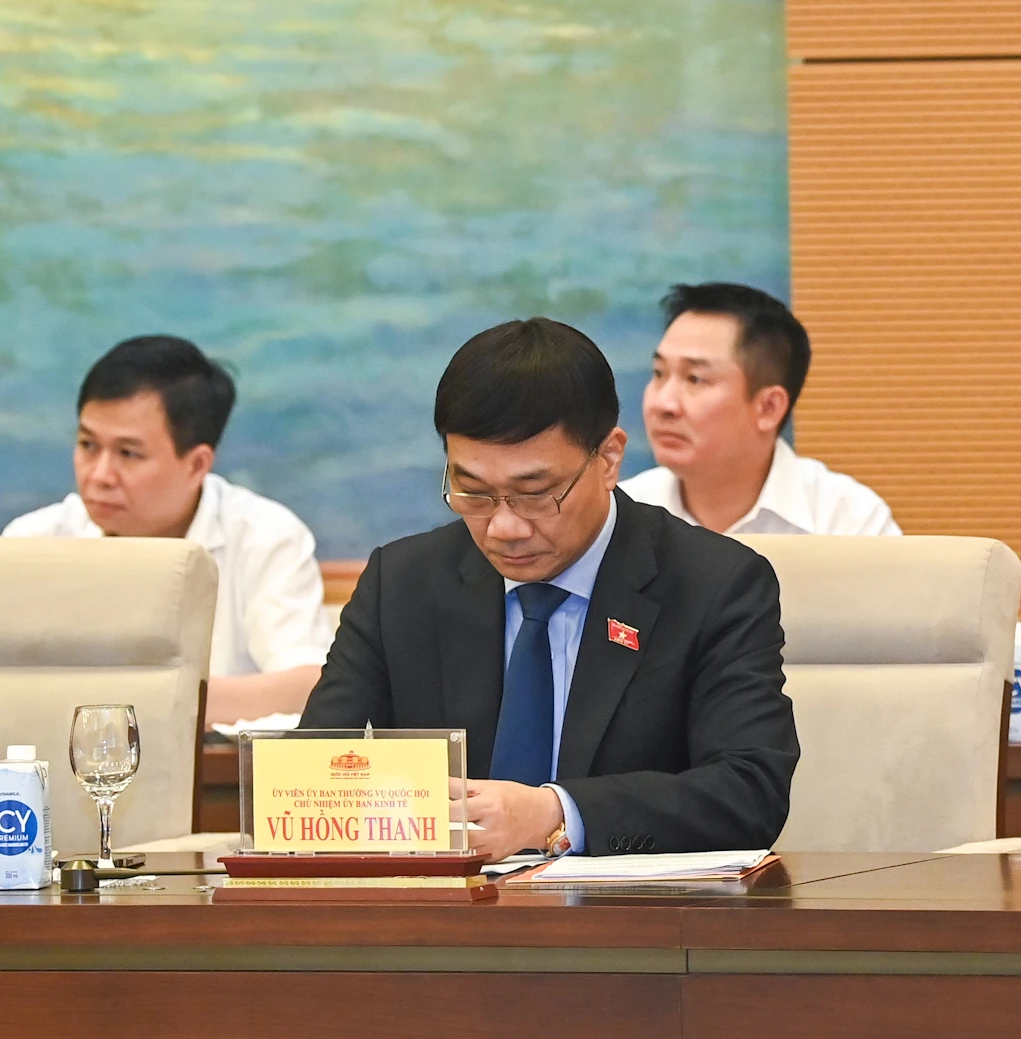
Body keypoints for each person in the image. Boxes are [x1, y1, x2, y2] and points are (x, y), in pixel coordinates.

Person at [302, 317, 799, 861]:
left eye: (536, 493)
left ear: (608, 459)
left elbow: (749, 791)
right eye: (474, 493)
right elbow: (311, 773)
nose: (504, 527)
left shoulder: (714, 584)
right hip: (441, 927)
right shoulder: (402, 583)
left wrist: (554, 814)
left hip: (630, 930)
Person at [3, 336, 332, 724]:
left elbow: (306, 685)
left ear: (196, 465)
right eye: (88, 445)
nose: (100, 475)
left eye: (128, 453)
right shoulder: (32, 542)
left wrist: (143, 705)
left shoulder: (264, 535)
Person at [621, 283, 901, 536]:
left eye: (695, 378)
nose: (663, 404)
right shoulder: (619, 515)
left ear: (768, 407)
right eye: (659, 373)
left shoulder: (848, 522)